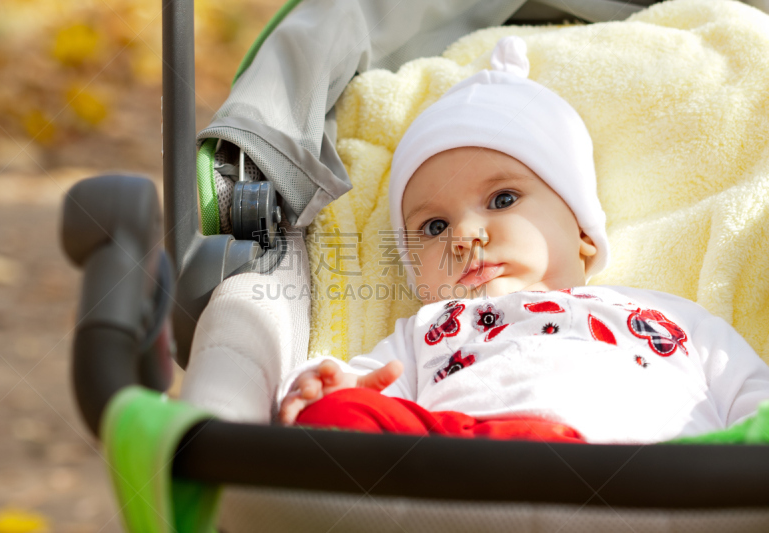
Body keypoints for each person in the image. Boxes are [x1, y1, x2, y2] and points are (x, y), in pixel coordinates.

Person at [276, 37, 769, 444]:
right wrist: (328, 386)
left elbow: (750, 394)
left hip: (648, 465)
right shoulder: (426, 332)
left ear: (580, 231)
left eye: (503, 199)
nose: (465, 235)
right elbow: (363, 387)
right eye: (434, 227)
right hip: (472, 465)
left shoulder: (669, 318)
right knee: (340, 419)